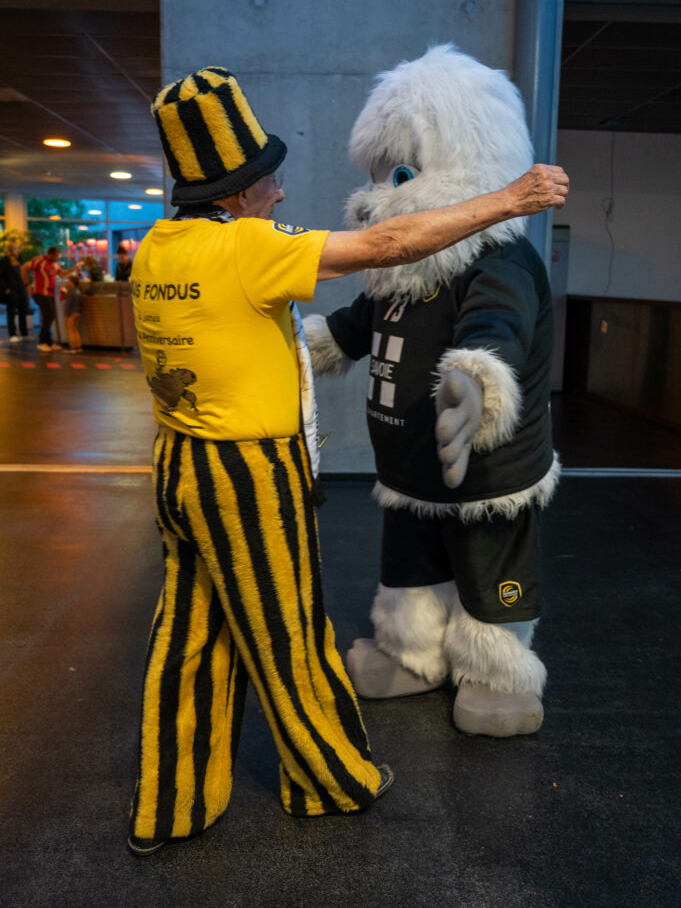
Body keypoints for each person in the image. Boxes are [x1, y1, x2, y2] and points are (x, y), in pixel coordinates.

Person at [128, 65, 568, 856]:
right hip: (246, 477)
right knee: (287, 632)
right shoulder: (249, 247)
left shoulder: (158, 249)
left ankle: (172, 799)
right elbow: (388, 244)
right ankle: (329, 778)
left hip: (180, 465)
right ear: (232, 195)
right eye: (266, 178)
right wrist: (510, 196)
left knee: (186, 636)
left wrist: (474, 378)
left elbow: (480, 324)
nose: (282, 192)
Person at [21, 246, 70, 352]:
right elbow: (24, 267)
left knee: (50, 316)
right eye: (57, 256)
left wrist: (74, 269)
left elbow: (62, 274)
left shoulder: (54, 264)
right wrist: (27, 285)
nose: (58, 258)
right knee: (49, 315)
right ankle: (42, 342)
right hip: (40, 293)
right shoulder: (40, 260)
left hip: (50, 294)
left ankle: (48, 342)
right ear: (51, 254)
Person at [0, 241, 30, 344]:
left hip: (21, 289)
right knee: (11, 312)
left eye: (16, 249)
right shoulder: (4, 261)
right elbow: (1, 276)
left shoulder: (19, 260)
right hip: (11, 290)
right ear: (9, 250)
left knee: (22, 312)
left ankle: (24, 333)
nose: (16, 250)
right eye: (14, 249)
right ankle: (12, 333)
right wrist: (6, 289)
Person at [61, 274, 83, 353]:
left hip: (71, 313)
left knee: (70, 331)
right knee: (75, 330)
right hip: (77, 312)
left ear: (72, 282)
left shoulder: (70, 291)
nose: (67, 282)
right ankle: (78, 347)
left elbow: (68, 304)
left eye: (69, 280)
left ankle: (73, 348)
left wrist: (67, 315)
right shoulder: (78, 290)